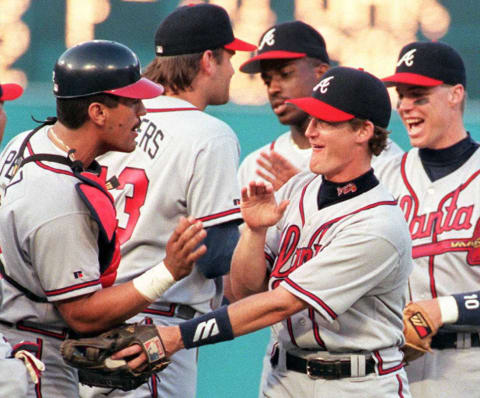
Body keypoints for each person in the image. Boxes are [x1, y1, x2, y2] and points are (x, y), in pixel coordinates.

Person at [115, 66, 414, 398]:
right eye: (312, 119)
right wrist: (254, 233)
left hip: (357, 382)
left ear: (363, 131)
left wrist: (176, 336)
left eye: (325, 122)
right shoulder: (297, 188)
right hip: (282, 376)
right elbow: (244, 290)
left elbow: (281, 304)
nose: (311, 131)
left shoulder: (378, 225)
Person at [0, 39, 206, 397]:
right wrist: (168, 271)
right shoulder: (60, 198)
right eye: (132, 102)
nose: (143, 112)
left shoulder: (27, 141)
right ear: (98, 112)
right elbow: (82, 315)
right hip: (34, 360)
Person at [79, 4, 256, 398]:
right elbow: (214, 257)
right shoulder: (209, 134)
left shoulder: (114, 119)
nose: (231, 71)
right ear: (209, 60)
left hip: (91, 314)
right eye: (229, 58)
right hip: (154, 329)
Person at [378, 41, 480, 397]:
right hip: (396, 368)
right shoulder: (381, 179)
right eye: (401, 96)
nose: (405, 106)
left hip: (472, 365)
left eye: (418, 96)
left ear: (455, 95)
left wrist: (446, 308)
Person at [237, 21, 403, 192]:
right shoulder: (257, 165)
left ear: (322, 73)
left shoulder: (382, 158)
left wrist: (303, 193)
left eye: (285, 74)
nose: (273, 88)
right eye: (267, 80)